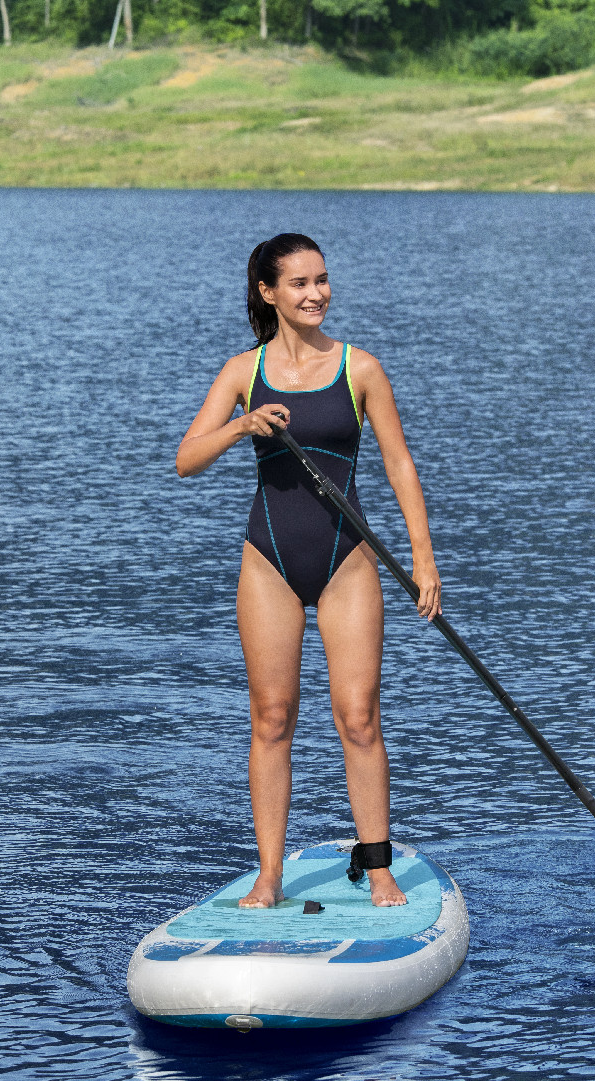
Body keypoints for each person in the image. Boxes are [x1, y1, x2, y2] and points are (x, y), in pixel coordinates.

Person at [176, 233, 442, 910]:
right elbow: (186, 458)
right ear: (268, 292)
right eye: (298, 283)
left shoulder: (361, 369)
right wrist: (241, 427)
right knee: (270, 718)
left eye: (321, 279)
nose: (315, 293)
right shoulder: (244, 371)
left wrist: (422, 555)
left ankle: (378, 868)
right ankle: (269, 876)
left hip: (346, 558)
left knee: (358, 716)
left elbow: (398, 462)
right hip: (268, 558)